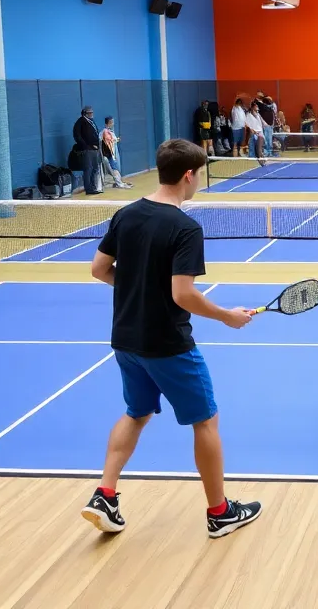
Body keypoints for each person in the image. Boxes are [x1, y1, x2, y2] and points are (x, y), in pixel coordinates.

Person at [82, 139, 261, 538]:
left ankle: (105, 495)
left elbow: (99, 269)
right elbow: (183, 294)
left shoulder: (127, 214)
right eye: (199, 175)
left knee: (136, 413)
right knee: (206, 420)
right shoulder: (184, 227)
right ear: (187, 175)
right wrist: (226, 316)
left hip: (125, 339)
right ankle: (219, 513)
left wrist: (137, 289)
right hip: (167, 343)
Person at [74, 106, 104, 195]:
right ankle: (89, 188)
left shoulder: (91, 122)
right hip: (88, 150)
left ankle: (93, 186)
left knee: (95, 168)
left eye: (92, 112)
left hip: (95, 149)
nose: (92, 114)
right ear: (85, 113)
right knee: (88, 168)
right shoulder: (80, 122)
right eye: (90, 113)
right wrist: (86, 146)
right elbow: (77, 136)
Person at [100, 116, 133, 189]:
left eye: (113, 122)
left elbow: (112, 140)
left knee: (115, 169)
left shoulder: (110, 132)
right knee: (113, 169)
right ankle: (119, 184)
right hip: (108, 155)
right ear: (107, 123)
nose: (112, 124)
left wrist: (117, 139)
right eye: (111, 122)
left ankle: (118, 183)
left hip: (112, 154)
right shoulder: (104, 132)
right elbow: (107, 141)